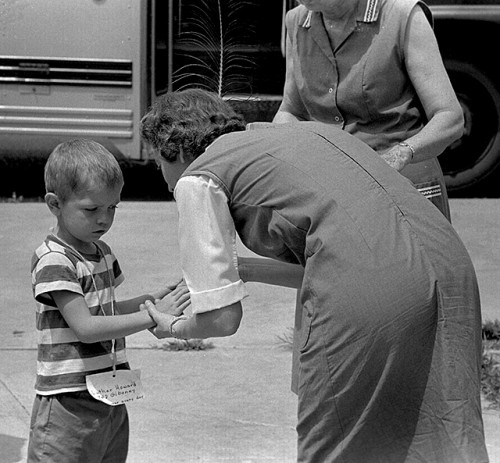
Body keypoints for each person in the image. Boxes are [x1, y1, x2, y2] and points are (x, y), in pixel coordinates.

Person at [139, 89, 488, 462]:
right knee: (442, 437)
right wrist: (245, 271)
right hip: (450, 268)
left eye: (159, 161)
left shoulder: (198, 178)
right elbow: (333, 262)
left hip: (369, 290)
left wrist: (172, 327)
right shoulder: (309, 134)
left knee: (339, 444)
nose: (164, 176)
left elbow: (222, 320)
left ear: (173, 148)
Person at [27, 139, 190, 463]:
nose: (104, 219)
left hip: (109, 394)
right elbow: (86, 327)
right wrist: (152, 319)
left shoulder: (101, 252)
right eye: (91, 209)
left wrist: (149, 303)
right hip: (67, 402)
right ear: (54, 204)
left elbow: (106, 311)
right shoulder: (55, 259)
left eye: (112, 208)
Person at [273, 0, 464, 221]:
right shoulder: (296, 21)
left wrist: (399, 155)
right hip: (332, 189)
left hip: (401, 185)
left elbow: (450, 118)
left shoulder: (402, 15)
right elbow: (290, 111)